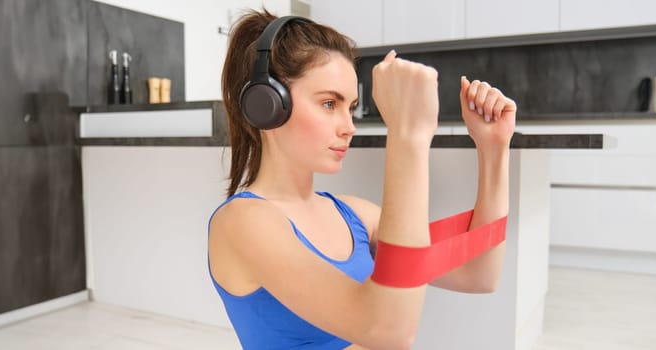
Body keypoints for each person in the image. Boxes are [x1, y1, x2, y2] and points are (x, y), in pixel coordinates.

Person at [207, 9, 517, 350]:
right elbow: (387, 332)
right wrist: (406, 135)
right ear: (267, 104)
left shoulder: (355, 215)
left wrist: (494, 149)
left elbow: (479, 273)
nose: (348, 126)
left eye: (351, 107)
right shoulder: (242, 222)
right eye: (328, 103)